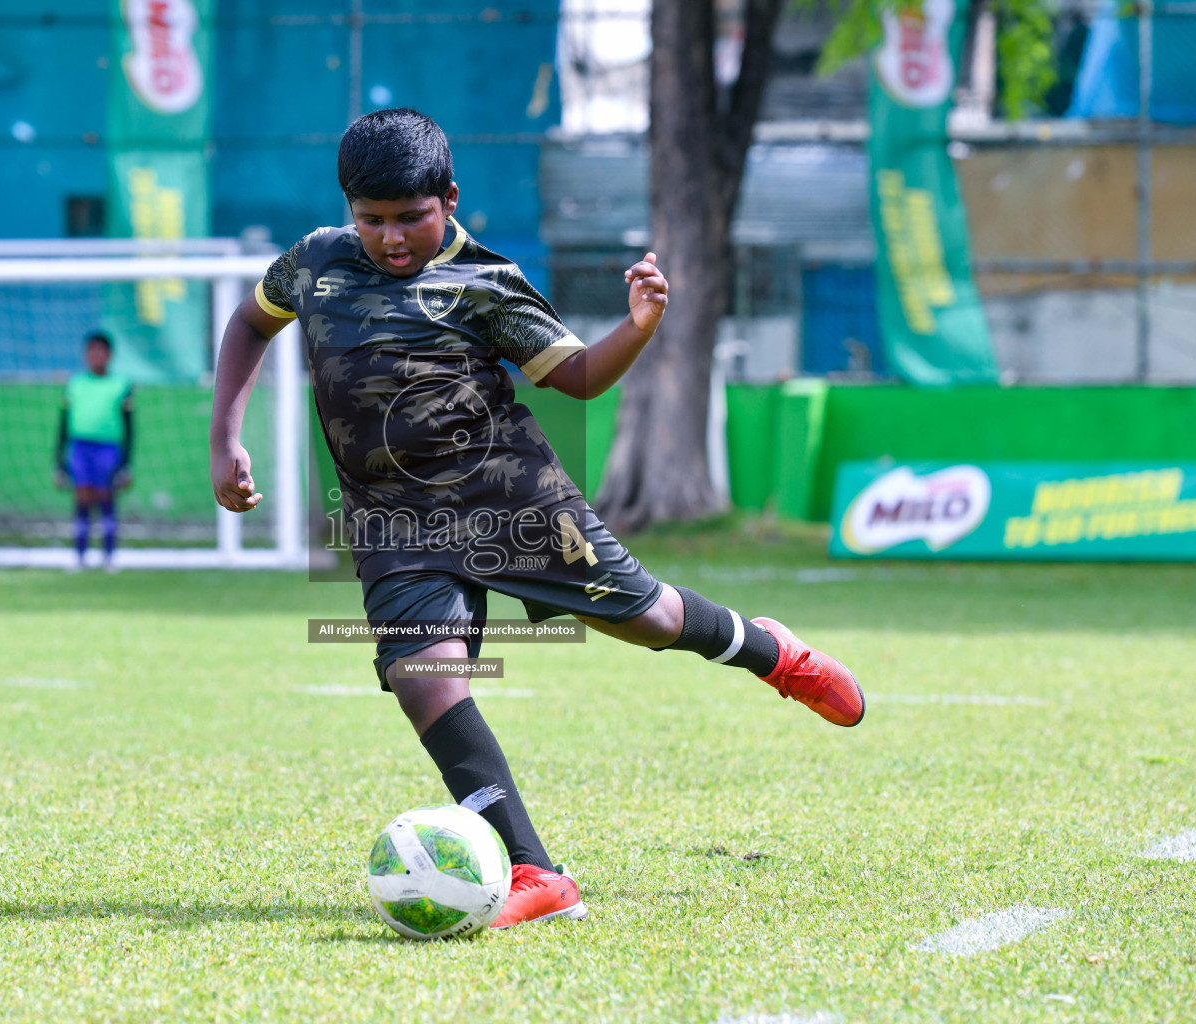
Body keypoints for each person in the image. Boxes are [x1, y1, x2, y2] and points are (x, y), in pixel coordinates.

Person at [209, 109, 863, 929]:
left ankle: (773, 653)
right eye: (370, 220)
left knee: (651, 619)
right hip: (391, 522)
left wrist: (639, 326)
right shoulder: (314, 262)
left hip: (513, 501)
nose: (391, 238)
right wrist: (224, 437)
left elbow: (580, 377)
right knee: (425, 679)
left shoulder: (486, 282)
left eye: (410, 216)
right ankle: (535, 872)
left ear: (448, 198)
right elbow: (250, 322)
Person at [56, 330, 133, 571]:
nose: (96, 355)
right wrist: (58, 462)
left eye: (101, 350)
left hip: (108, 448)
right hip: (80, 447)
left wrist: (126, 463)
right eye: (92, 350)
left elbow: (130, 428)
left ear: (109, 355)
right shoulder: (75, 384)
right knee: (82, 497)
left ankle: (109, 556)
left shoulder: (121, 385)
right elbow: (62, 426)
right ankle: (79, 556)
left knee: (106, 497)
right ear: (86, 355)